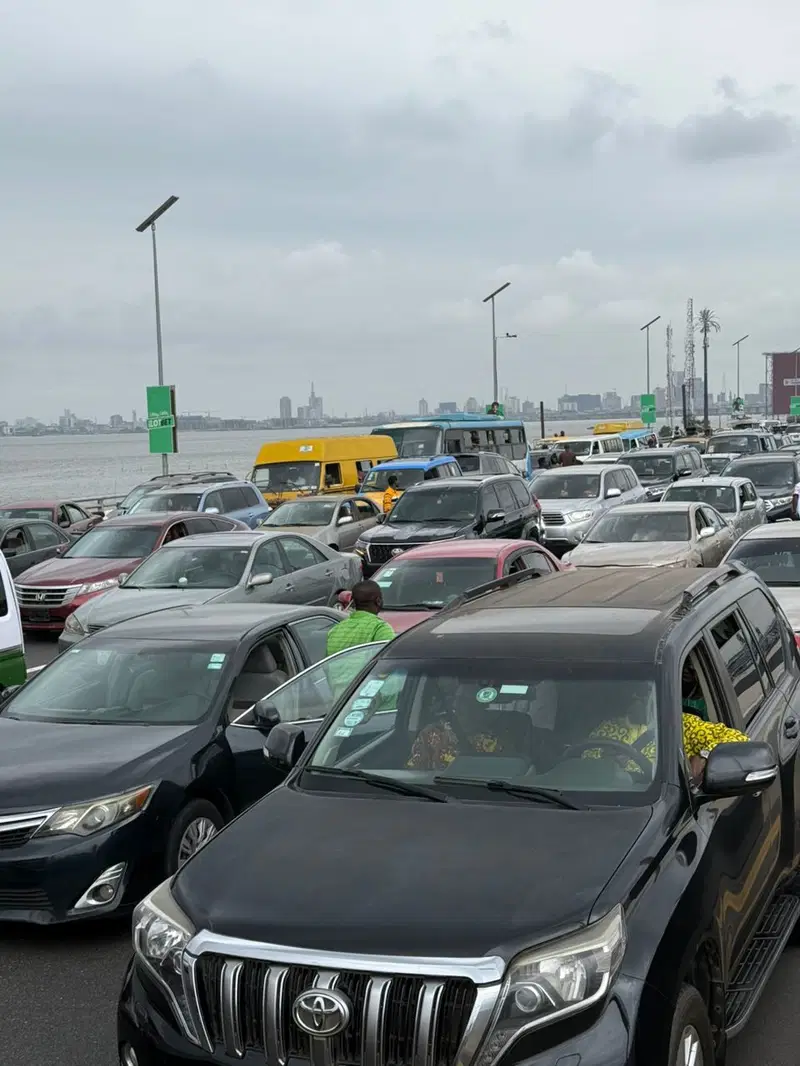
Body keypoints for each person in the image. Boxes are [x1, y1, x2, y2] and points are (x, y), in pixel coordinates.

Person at [326, 580, 395, 655]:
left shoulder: (335, 630)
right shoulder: (380, 629)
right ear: (378, 601)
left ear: (353, 602)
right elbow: (388, 661)